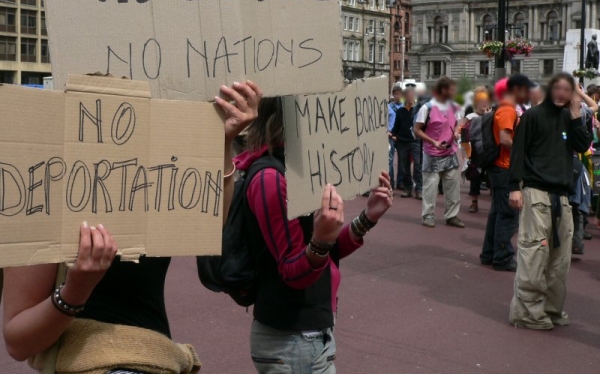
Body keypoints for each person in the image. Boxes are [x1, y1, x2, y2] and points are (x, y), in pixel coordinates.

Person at [3, 81, 263, 372]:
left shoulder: (153, 168)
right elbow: (18, 342)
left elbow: (211, 225)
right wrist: (75, 290)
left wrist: (221, 140)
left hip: (155, 359)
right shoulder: (46, 185)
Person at [238, 98, 393, 374]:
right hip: (292, 341)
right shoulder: (271, 178)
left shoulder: (297, 168)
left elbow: (326, 250)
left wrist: (366, 219)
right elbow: (294, 271)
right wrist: (321, 240)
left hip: (309, 336)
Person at [508, 73, 593, 330]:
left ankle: (552, 309)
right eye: (557, 88)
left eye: (568, 90)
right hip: (536, 191)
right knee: (534, 253)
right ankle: (527, 313)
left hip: (563, 196)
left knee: (560, 258)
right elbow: (518, 151)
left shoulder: (570, 118)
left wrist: (577, 114)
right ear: (550, 89)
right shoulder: (533, 116)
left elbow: (582, 145)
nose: (561, 94)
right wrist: (515, 187)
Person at [480, 75, 534, 272]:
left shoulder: (503, 108)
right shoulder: (507, 110)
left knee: (497, 213)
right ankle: (502, 257)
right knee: (508, 215)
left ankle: (489, 253)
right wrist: (523, 156)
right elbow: (505, 139)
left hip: (499, 166)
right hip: (504, 166)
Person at [413, 77, 464, 229]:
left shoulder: (455, 107)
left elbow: (459, 124)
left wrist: (456, 132)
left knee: (453, 187)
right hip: (432, 153)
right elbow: (417, 130)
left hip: (450, 152)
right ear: (443, 90)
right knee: (430, 187)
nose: (454, 93)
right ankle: (428, 215)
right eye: (452, 90)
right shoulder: (427, 108)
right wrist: (433, 141)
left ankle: (452, 215)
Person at [458, 87, 490, 213]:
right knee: (475, 178)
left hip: (489, 151)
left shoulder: (492, 115)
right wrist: (466, 153)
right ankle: (474, 202)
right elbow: (463, 133)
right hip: (475, 152)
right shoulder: (471, 116)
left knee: (491, 176)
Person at [392, 86, 422, 199]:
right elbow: (396, 127)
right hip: (402, 142)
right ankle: (408, 188)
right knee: (404, 166)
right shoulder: (400, 111)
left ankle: (419, 189)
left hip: (416, 141)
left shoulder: (419, 109)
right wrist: (393, 134)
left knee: (418, 165)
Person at [388, 85, 403, 189]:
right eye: (396, 94)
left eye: (400, 94)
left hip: (401, 136)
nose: (398, 96)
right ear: (393, 95)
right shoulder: (388, 107)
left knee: (402, 160)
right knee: (390, 159)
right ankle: (390, 181)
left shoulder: (405, 107)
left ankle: (400, 181)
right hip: (390, 135)